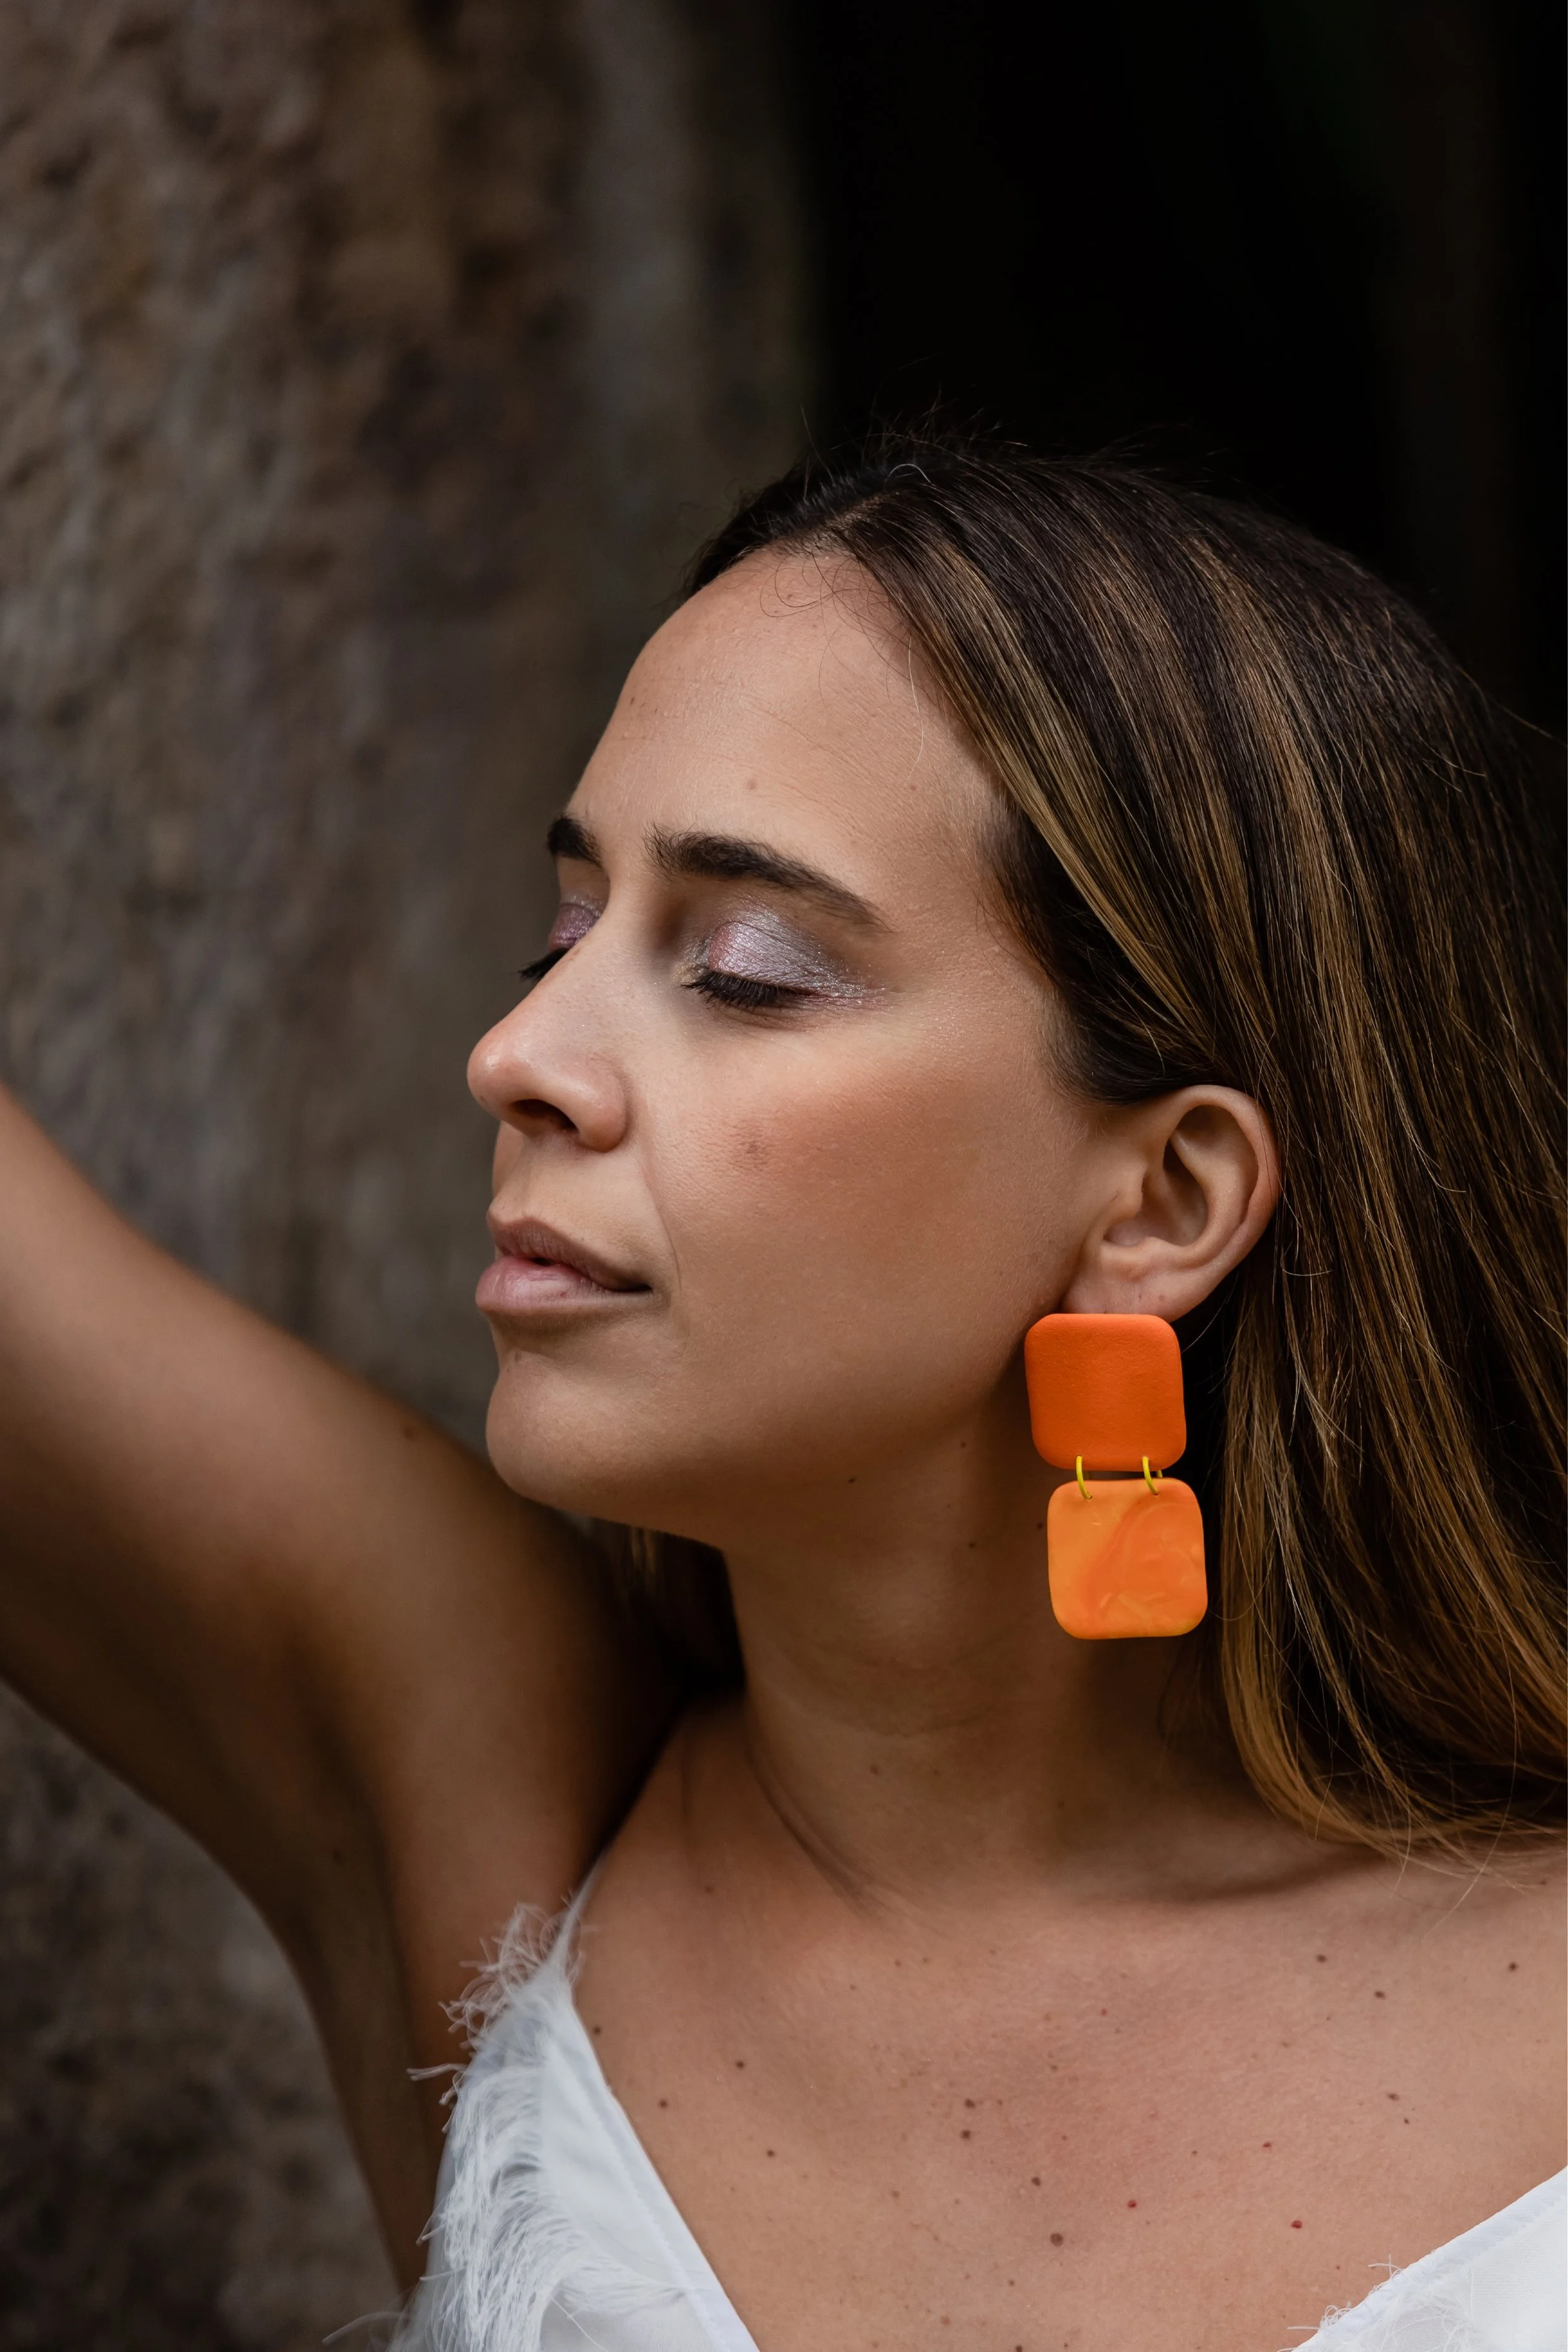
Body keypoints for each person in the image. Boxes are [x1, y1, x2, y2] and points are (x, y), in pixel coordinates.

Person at [0, 440, 1561, 2352]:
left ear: (1161, 1199)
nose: (518, 1053)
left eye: (742, 970)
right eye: (560, 932)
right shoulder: (512, 1833)